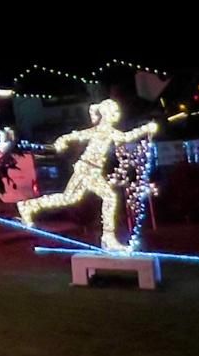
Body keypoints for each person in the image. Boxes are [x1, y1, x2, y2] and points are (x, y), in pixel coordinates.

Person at [17, 99, 157, 252]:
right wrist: (145, 129)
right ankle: (108, 238)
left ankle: (28, 206)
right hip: (87, 169)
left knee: (68, 198)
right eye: (114, 111)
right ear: (107, 113)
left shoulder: (105, 130)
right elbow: (124, 137)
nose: (117, 114)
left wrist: (63, 140)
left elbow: (79, 135)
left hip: (90, 169)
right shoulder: (104, 131)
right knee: (110, 197)